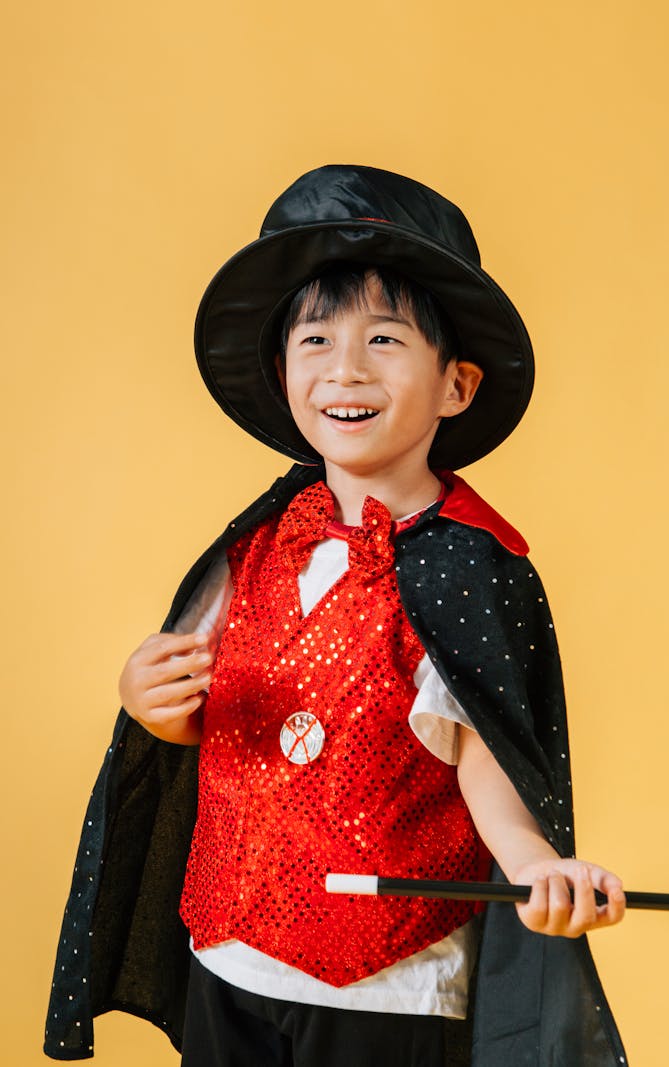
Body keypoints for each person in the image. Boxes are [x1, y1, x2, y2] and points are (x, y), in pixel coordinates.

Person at [45, 165, 628, 1066]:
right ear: (282, 374)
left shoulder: (473, 566)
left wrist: (530, 860)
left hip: (387, 985)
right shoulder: (257, 541)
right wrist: (146, 695)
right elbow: (195, 694)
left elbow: (486, 745)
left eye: (385, 338)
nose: (345, 369)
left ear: (456, 385)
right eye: (314, 338)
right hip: (228, 956)